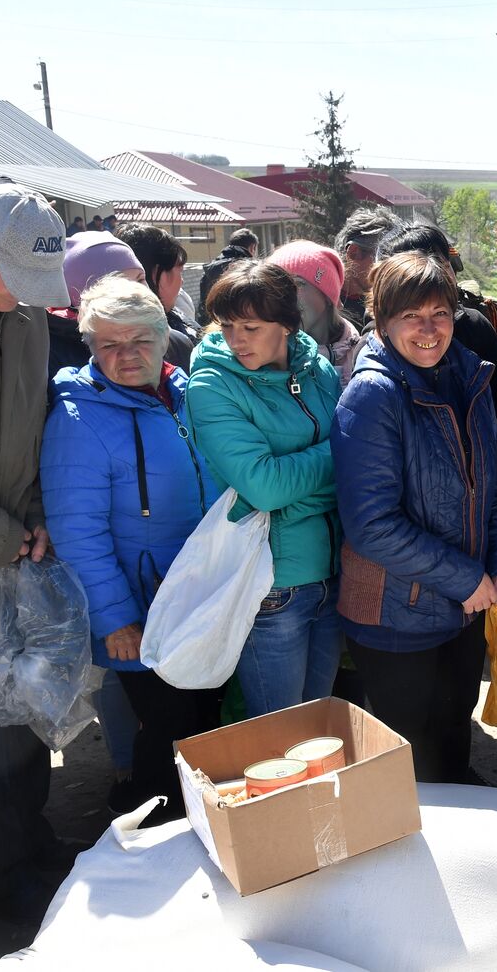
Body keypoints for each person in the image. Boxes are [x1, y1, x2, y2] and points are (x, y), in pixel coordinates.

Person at [332, 251, 497, 784]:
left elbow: (495, 487)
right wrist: (465, 578)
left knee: (452, 735)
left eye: (439, 313)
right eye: (411, 316)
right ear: (382, 319)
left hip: (464, 608)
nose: (428, 329)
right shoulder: (372, 396)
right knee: (410, 763)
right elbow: (371, 525)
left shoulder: (469, 377)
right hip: (397, 617)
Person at [40, 277, 222, 823]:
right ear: (89, 347)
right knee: (170, 730)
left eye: (139, 340)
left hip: (198, 593)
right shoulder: (78, 418)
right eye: (108, 345)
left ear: (164, 336)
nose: (125, 356)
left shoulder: (186, 392)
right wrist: (117, 619)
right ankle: (150, 829)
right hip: (142, 608)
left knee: (202, 720)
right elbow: (78, 532)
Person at [186, 260, 344, 718]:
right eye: (227, 326)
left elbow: (283, 484)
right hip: (273, 588)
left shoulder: (316, 366)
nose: (236, 340)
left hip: (332, 576)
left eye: (250, 327)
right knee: (278, 737)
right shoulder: (213, 385)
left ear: (288, 325)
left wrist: (302, 489)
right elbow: (267, 487)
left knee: (317, 728)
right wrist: (340, 459)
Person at [0, 179, 72, 925]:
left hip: (10, 558)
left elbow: (32, 424)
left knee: (15, 712)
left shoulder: (23, 319)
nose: (32, 298)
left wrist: (38, 514)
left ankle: (28, 834)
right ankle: (5, 870)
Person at [350, 223, 497, 422]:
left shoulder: (475, 327)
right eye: (416, 269)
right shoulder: (374, 351)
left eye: (440, 264)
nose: (431, 276)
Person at [47, 231, 193, 378]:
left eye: (140, 279)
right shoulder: (50, 355)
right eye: (119, 283)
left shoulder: (176, 343)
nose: (135, 291)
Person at [265, 240, 358, 383]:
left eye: (297, 283)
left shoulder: (362, 353)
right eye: (274, 286)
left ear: (327, 295)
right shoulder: (265, 362)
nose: (283, 295)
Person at [115, 223, 198, 340]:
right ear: (156, 273)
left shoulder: (98, 335)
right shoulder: (175, 340)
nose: (182, 282)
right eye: (180, 271)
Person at [334, 206, 404, 331]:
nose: (393, 269)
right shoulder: (320, 303)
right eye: (384, 258)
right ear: (354, 253)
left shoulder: (390, 304)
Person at [197, 228, 257, 326]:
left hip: (213, 325)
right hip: (241, 325)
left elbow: (202, 304)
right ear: (252, 247)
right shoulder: (248, 269)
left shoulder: (210, 269)